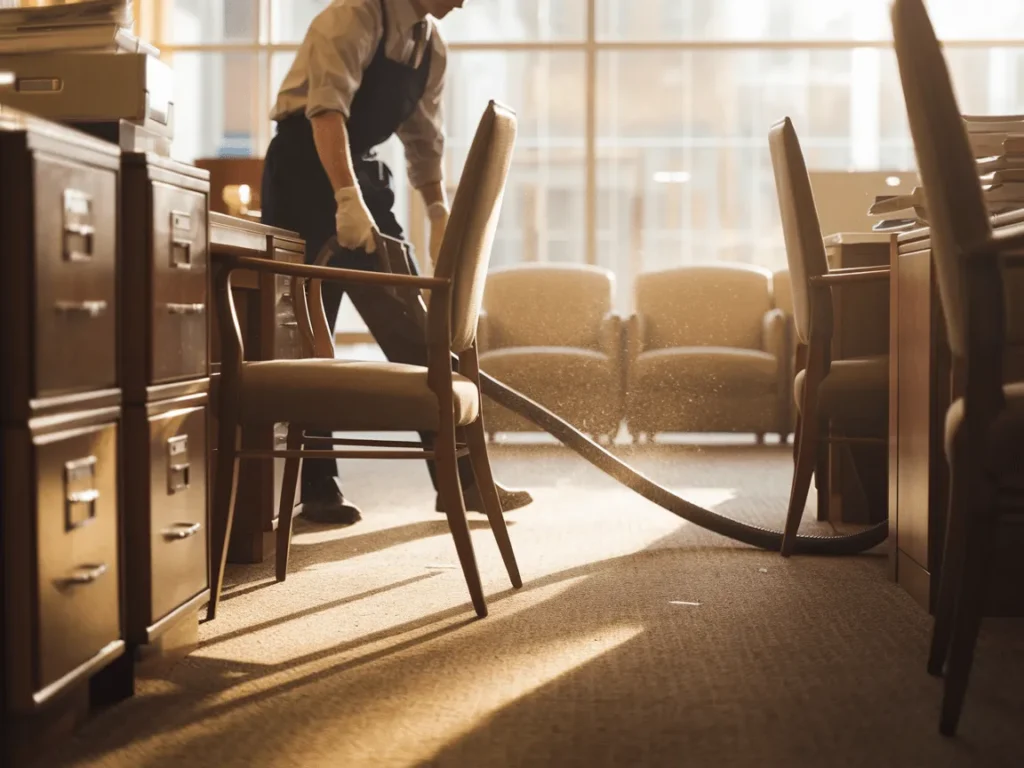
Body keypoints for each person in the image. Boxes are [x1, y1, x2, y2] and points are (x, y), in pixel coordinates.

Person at [261, 0, 533, 526]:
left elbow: (423, 137)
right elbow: (325, 112)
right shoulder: (353, 17)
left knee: (415, 330)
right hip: (304, 167)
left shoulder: (431, 46)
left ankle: (462, 480)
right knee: (310, 336)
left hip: (360, 169)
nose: (462, 2)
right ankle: (317, 485)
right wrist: (344, 197)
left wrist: (435, 205)